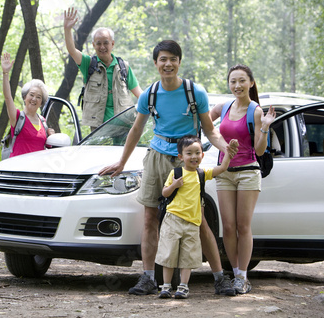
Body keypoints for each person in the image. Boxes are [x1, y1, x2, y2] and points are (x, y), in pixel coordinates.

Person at [99, 40, 238, 297]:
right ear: (156, 63)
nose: (168, 64)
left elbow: (210, 130)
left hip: (187, 162)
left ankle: (220, 278)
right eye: (163, 59)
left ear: (179, 62)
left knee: (197, 220)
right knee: (150, 219)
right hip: (156, 158)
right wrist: (121, 162)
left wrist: (224, 147)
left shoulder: (195, 93)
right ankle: (148, 277)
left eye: (173, 59)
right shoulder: (149, 95)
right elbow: (136, 129)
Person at [210, 64, 276, 294]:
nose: (237, 86)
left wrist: (265, 127)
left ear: (251, 83)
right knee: (227, 227)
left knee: (242, 225)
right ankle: (235, 272)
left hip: (248, 172)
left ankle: (243, 277)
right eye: (233, 81)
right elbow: (207, 125)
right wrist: (218, 141)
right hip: (224, 172)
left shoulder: (256, 111)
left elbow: (259, 151)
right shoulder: (223, 106)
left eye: (241, 81)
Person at [157, 135, 238, 299]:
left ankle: (183, 286)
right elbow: (165, 193)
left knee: (188, 255)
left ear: (202, 155)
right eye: (189, 153)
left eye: (197, 152)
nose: (193, 156)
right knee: (169, 253)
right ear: (181, 157)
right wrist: (174, 185)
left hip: (193, 223)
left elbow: (222, 168)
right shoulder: (176, 172)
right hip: (173, 219)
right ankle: (165, 286)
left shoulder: (202, 173)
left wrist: (228, 154)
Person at [63, 7, 143, 131]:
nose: (102, 47)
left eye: (106, 43)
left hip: (123, 125)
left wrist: (154, 105)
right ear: (93, 45)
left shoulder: (123, 67)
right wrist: (67, 29)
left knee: (122, 151)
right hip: (98, 128)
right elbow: (72, 51)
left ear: (112, 44)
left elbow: (139, 94)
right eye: (98, 43)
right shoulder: (88, 64)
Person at [1, 52, 54, 158]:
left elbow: (48, 147)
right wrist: (5, 73)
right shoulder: (17, 118)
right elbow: (8, 98)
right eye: (31, 95)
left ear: (41, 103)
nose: (34, 99)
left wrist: (52, 137)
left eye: (38, 97)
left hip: (37, 171)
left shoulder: (43, 122)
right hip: (18, 170)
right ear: (25, 97)